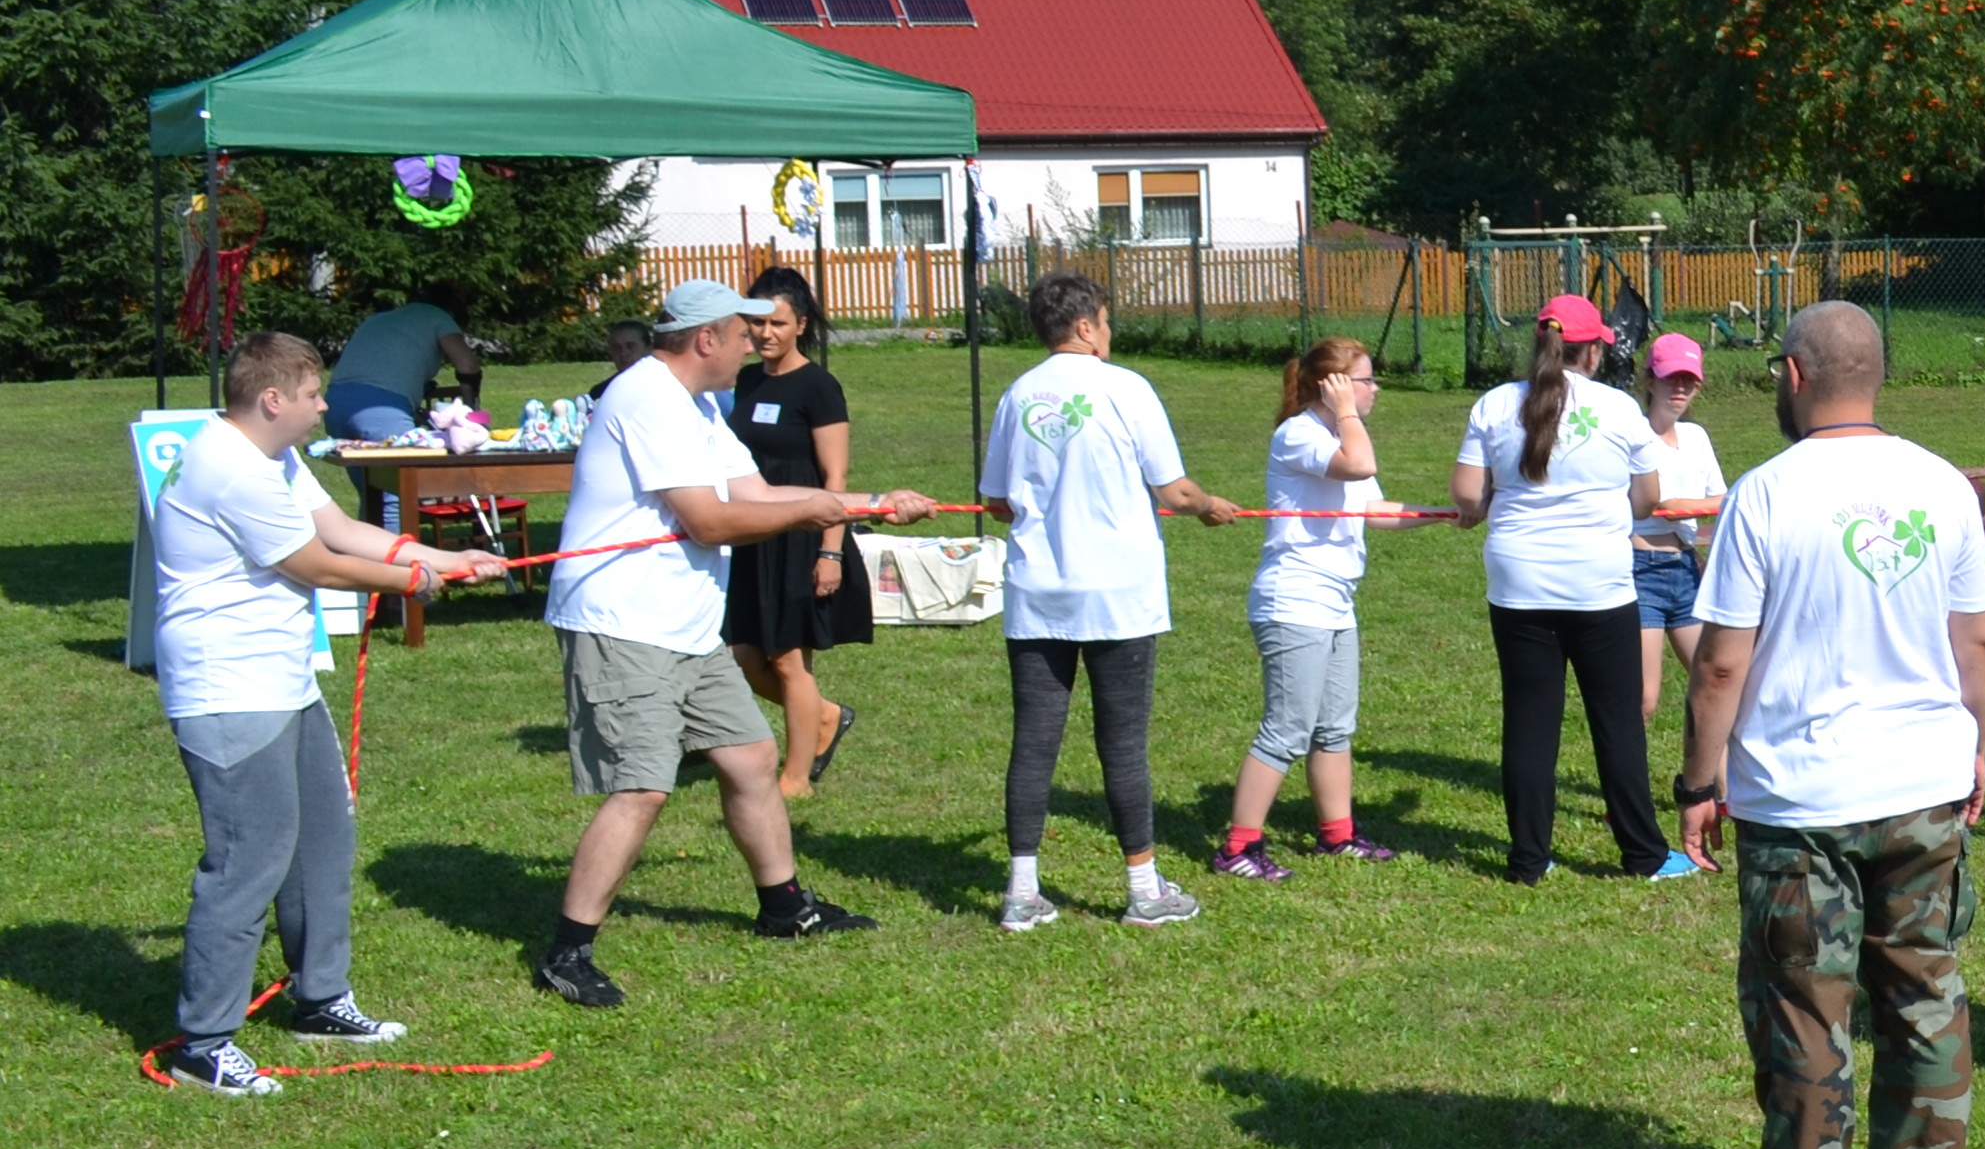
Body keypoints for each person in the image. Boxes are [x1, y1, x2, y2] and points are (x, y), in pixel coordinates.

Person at [1672, 302, 1985, 1149]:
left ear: (1793, 374)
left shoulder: (1765, 493)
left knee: (1805, 1011)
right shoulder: (1942, 484)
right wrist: (1973, 746)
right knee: (1926, 996)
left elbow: (1721, 665)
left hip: (1799, 798)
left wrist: (1697, 784)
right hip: (1923, 785)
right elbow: (1977, 642)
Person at [537, 280, 937, 1008]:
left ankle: (785, 909)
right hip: (624, 623)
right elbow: (711, 521)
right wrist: (818, 512)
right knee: (643, 786)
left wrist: (866, 505)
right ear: (706, 339)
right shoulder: (648, 398)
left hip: (685, 623)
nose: (752, 345)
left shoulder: (696, 406)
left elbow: (752, 492)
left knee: (751, 757)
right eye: (743, 334)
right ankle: (567, 951)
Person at [148, 334, 507, 1090]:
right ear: (272, 398)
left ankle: (320, 1000)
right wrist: (411, 583)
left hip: (283, 679)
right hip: (228, 690)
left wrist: (445, 558)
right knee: (248, 859)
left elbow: (338, 530)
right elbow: (313, 565)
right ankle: (203, 1042)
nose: (322, 408)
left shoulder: (272, 454)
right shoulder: (230, 467)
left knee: (321, 840)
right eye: (313, 395)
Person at [987, 270, 1243, 929]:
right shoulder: (1126, 388)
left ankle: (1021, 892)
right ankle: (1143, 890)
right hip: (1118, 595)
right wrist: (1210, 506)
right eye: (1104, 320)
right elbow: (1174, 491)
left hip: (1038, 593)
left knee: (1034, 742)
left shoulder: (1017, 394)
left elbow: (996, 500)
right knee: (1123, 744)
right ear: (1085, 326)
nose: (1109, 331)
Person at [1455, 290, 1677, 886]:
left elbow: (1467, 496)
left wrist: (1491, 500)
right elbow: (1648, 498)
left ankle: (1529, 861)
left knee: (1529, 723)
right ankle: (1644, 856)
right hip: (1598, 586)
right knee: (1617, 723)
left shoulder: (1495, 404)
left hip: (1518, 583)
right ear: (1594, 352)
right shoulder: (1619, 409)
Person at [1214, 336, 1403, 882]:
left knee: (1334, 728)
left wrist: (1446, 514)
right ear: (1334, 386)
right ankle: (1237, 848)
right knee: (1287, 731)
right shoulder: (1299, 434)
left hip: (1335, 601)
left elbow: (1374, 510)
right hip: (1294, 601)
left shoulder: (1340, 435)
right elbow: (1360, 464)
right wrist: (1347, 412)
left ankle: (1337, 836)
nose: (1375, 389)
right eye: (1365, 380)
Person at [722, 266, 875, 801]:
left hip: (802, 536)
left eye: (778, 324)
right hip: (754, 532)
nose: (766, 333)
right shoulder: (747, 380)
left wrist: (830, 552)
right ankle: (826, 716)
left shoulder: (818, 387)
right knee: (745, 656)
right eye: (758, 323)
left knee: (789, 658)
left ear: (801, 325)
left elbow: (835, 479)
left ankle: (795, 776)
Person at [1633, 333, 1730, 831]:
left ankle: (1726, 796)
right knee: (1644, 700)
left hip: (1686, 570)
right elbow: (1649, 506)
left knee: (1718, 685)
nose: (1680, 388)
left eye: (1689, 380)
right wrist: (1684, 507)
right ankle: (1625, 803)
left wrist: (1684, 510)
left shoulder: (1696, 438)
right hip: (1639, 571)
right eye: (1671, 378)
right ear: (1649, 379)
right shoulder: (1631, 434)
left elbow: (1720, 502)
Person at [322, 297, 477, 444]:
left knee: (361, 463)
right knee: (413, 463)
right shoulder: (441, 317)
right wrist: (472, 410)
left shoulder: (378, 319)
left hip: (335, 403)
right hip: (382, 408)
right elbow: (468, 367)